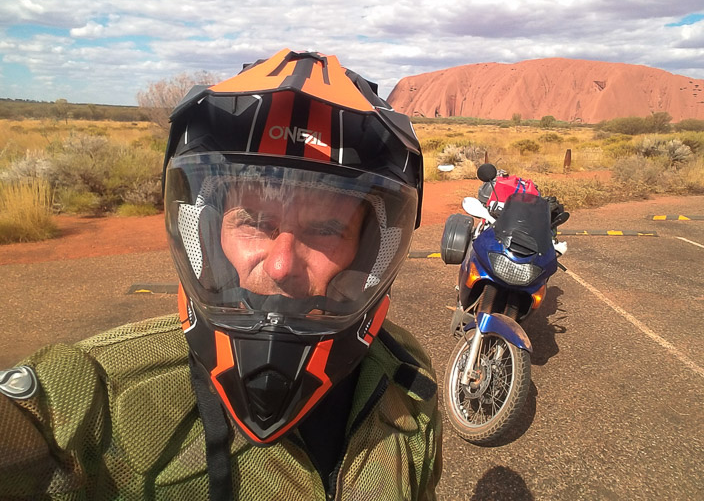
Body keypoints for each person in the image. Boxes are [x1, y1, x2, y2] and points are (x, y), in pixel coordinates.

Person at [0, 49, 442, 500]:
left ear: (367, 251)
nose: (281, 264)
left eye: (327, 229)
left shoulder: (407, 380)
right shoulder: (98, 395)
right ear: (207, 232)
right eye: (253, 221)